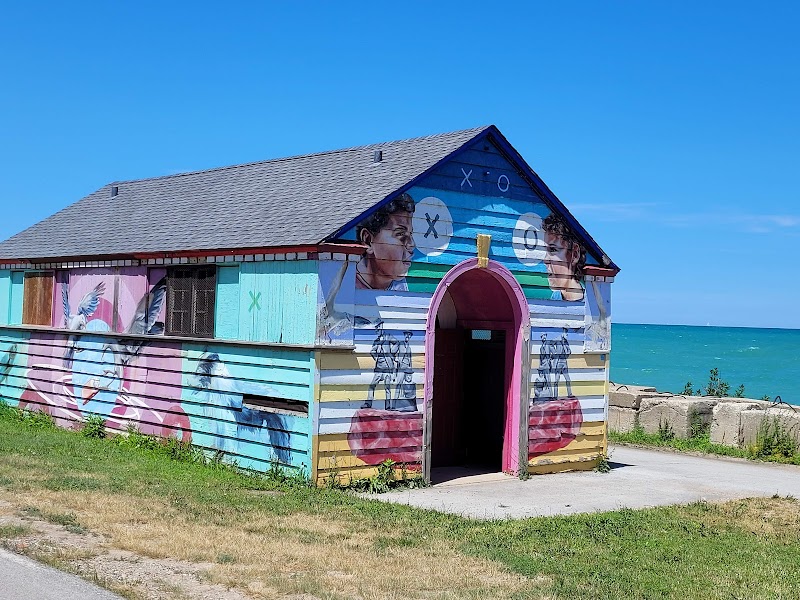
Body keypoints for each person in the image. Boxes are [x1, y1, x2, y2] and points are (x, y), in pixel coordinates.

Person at [355, 193, 416, 291]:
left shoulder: (400, 286)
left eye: (410, 234)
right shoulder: (343, 284)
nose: (411, 244)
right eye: (400, 234)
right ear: (368, 240)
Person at [542, 213, 586, 301]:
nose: (545, 259)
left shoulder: (591, 302)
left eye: (553, 250)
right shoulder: (555, 298)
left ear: (575, 254)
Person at [362, 321, 397, 409]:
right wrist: (376, 358)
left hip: (387, 368)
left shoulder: (388, 336)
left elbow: (396, 343)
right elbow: (372, 351)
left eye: (377, 328)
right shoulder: (376, 341)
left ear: (381, 326)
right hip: (379, 368)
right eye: (376, 329)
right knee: (372, 385)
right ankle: (368, 403)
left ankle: (388, 407)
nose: (376, 330)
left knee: (387, 388)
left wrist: (392, 353)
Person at [392, 331, 417, 412]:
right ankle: (394, 406)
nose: (408, 336)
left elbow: (410, 360)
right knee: (398, 385)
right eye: (406, 335)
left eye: (409, 335)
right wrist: (395, 359)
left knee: (407, 387)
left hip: (407, 370)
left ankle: (405, 406)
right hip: (401, 368)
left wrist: (410, 369)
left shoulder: (409, 348)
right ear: (404, 335)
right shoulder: (400, 344)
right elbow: (393, 352)